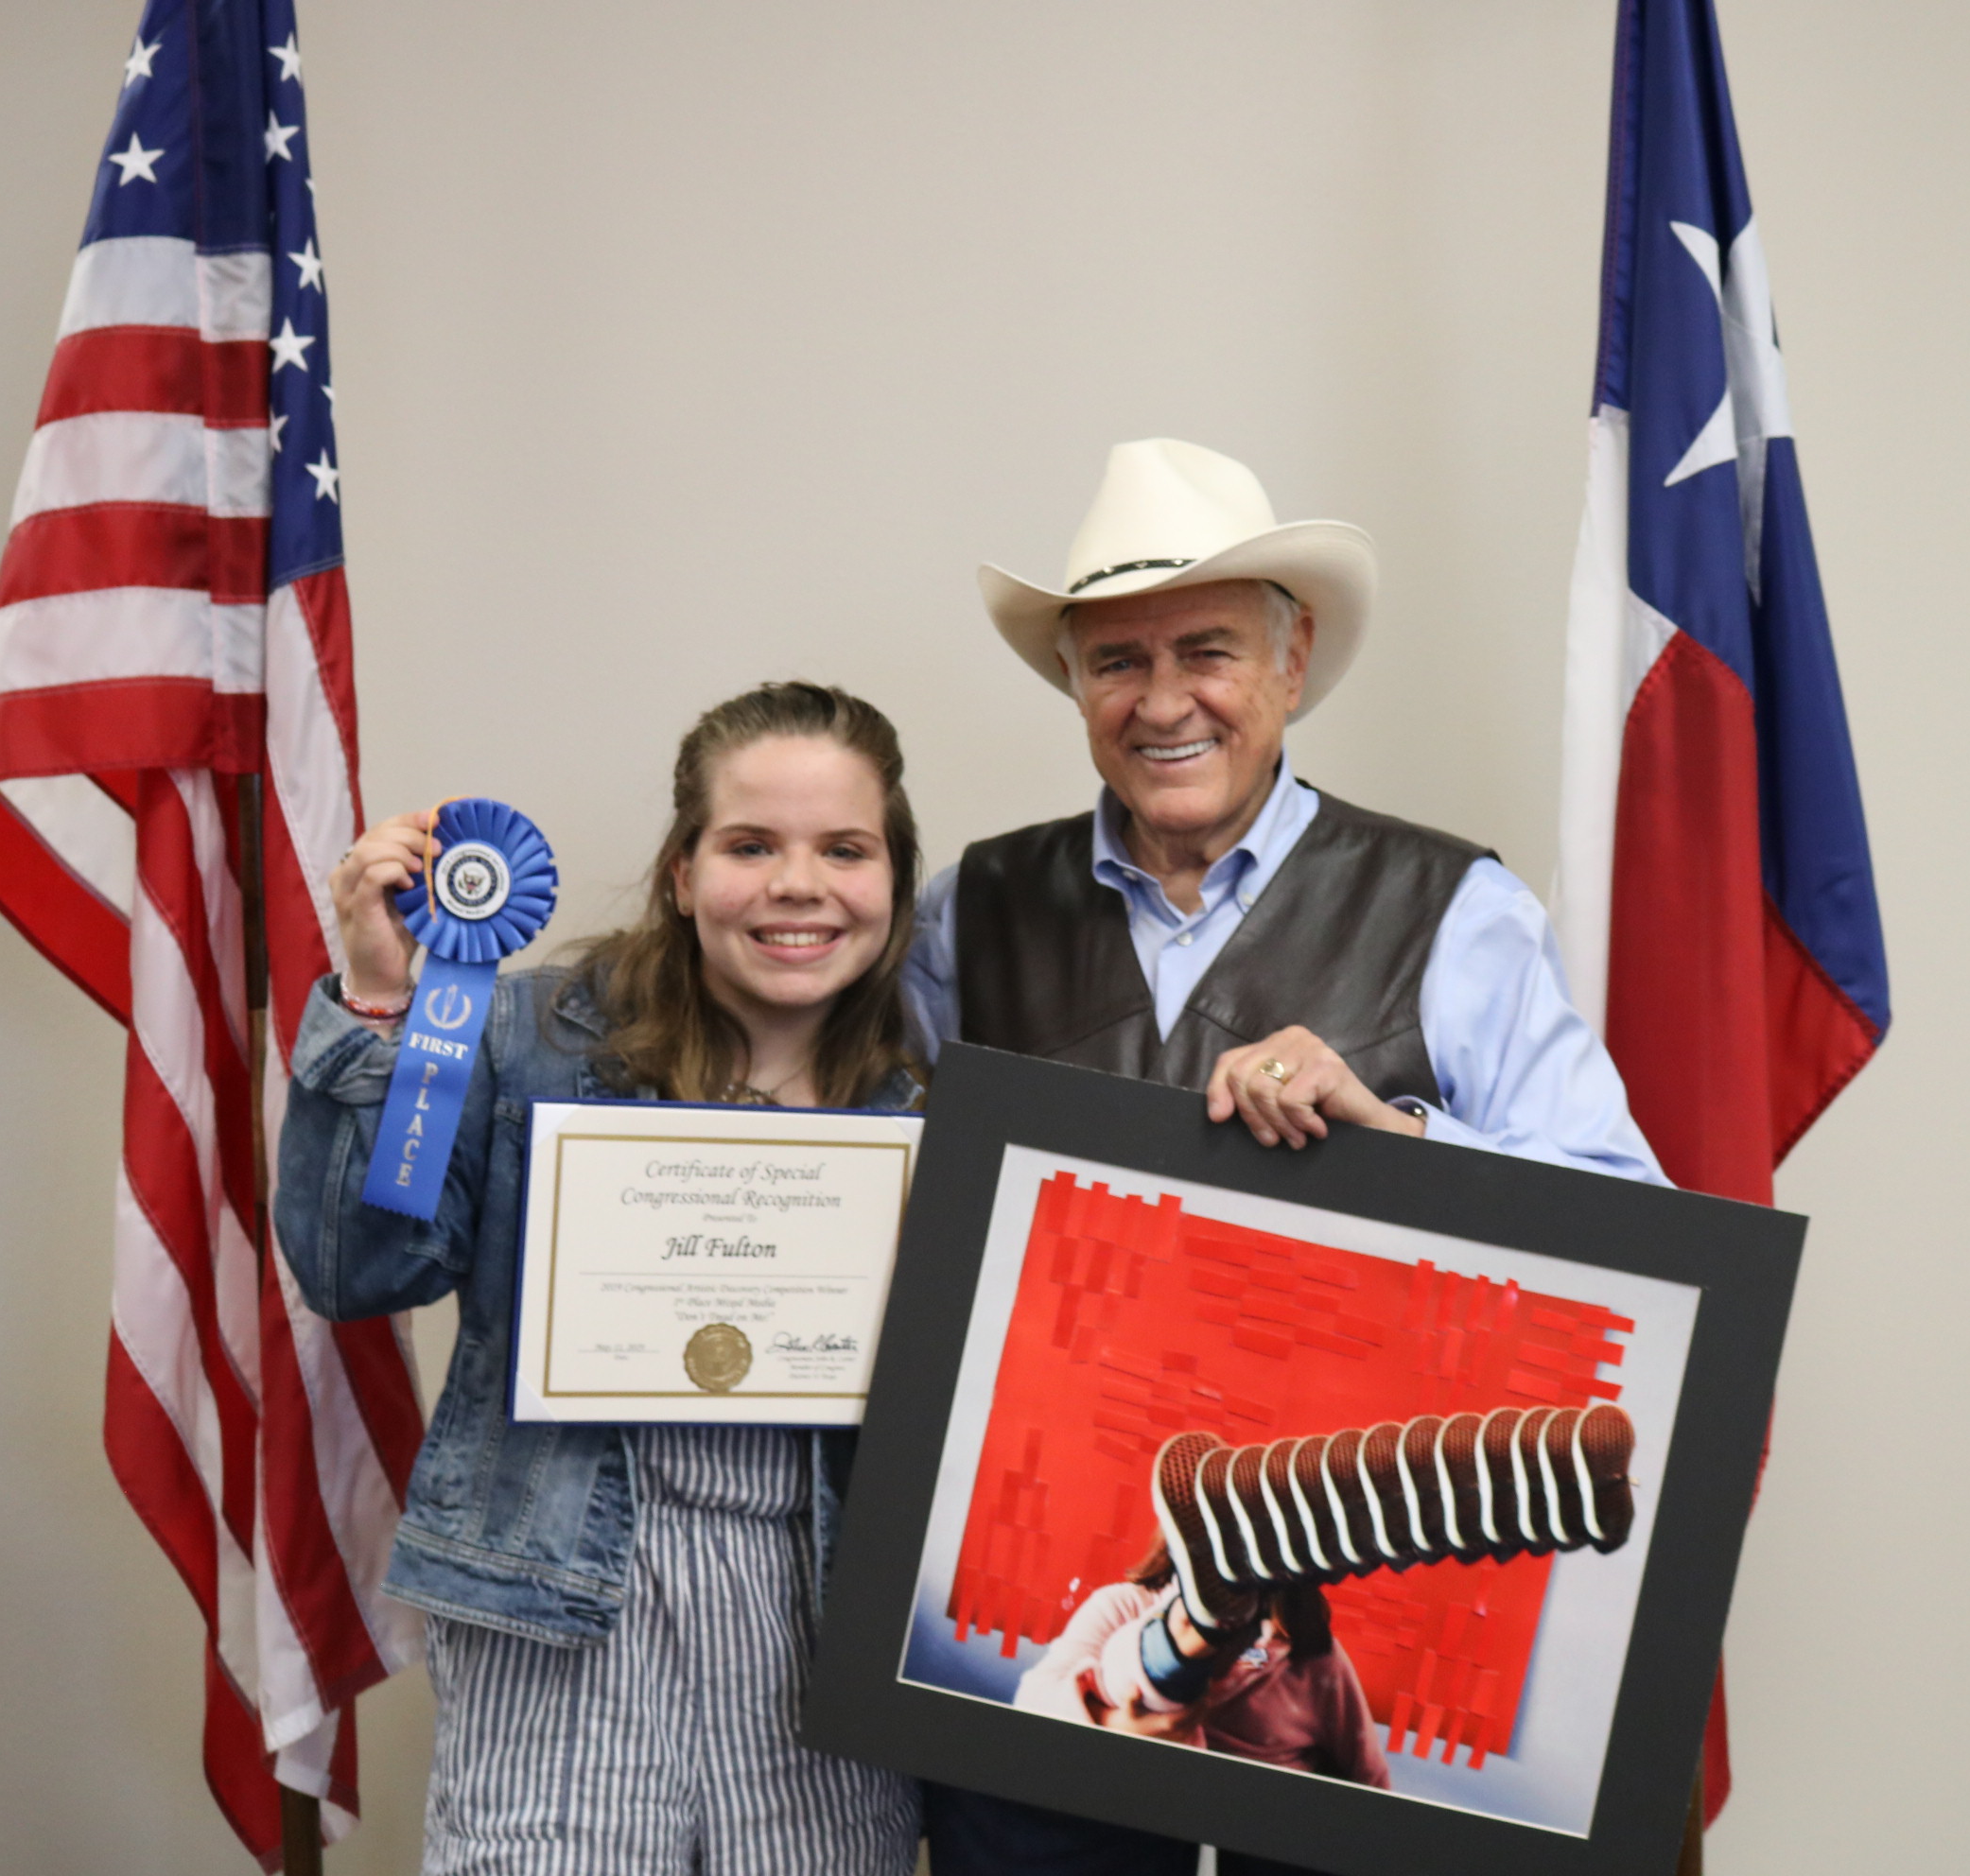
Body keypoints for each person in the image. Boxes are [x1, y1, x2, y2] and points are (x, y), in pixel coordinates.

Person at [904, 439, 1671, 1876]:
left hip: (1342, 1641)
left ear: (1293, 661)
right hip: (1035, 1627)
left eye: (1207, 651)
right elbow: (882, 1196)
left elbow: (1635, 1221)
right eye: (1118, 661)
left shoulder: (1455, 906)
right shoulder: (969, 912)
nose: (1164, 701)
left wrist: (1396, 1132)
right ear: (1074, 682)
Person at [275, 683, 926, 1876]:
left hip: (819, 1628)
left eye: (845, 849)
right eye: (750, 845)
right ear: (682, 872)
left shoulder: (929, 1101)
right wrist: (381, 1002)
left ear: (894, 879)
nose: (799, 884)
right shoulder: (521, 1038)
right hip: (559, 1609)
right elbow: (351, 1269)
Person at [1015, 1536, 1390, 1792]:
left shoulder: (1313, 1658)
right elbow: (1031, 1701)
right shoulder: (1122, 1609)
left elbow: (1370, 1780)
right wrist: (1112, 1724)